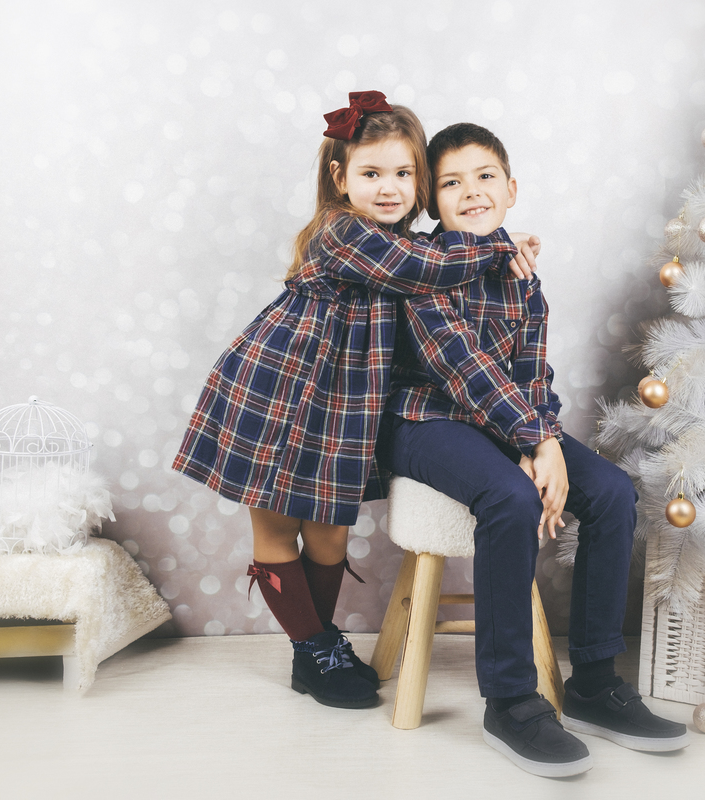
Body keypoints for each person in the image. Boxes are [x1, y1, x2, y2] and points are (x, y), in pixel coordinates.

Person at [173, 94, 537, 709]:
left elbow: (434, 267)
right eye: (372, 174)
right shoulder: (345, 232)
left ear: (420, 179)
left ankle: (316, 646)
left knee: (330, 539)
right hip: (280, 389)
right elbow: (417, 267)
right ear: (341, 178)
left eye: (403, 173)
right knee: (278, 527)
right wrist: (500, 244)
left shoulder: (411, 240)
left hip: (345, 406)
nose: (390, 188)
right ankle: (314, 649)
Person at [377, 123, 690, 776]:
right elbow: (465, 370)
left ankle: (596, 683)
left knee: (608, 490)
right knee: (509, 496)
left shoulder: (520, 275)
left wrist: (541, 438)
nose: (471, 192)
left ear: (511, 188)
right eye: (452, 183)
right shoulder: (423, 272)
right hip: (424, 421)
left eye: (485, 176)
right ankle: (512, 700)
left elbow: (530, 375)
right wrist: (535, 444)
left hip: (507, 421)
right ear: (433, 201)